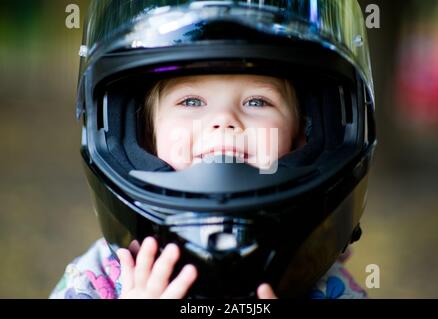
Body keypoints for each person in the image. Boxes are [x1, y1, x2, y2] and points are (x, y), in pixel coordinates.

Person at [50, 0, 376, 299]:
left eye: (257, 101)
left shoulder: (331, 288)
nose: (223, 120)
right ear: (145, 135)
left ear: (302, 136)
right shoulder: (96, 281)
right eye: (191, 101)